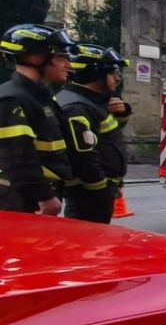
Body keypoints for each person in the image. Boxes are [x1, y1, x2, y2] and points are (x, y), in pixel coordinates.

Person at [0, 24, 78, 215]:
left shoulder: (39, 96)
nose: (69, 66)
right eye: (61, 58)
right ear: (35, 58)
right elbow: (18, 155)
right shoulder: (13, 98)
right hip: (23, 198)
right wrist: (44, 196)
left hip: (39, 194)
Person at [58, 44, 131, 224]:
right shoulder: (78, 107)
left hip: (93, 192)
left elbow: (109, 136)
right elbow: (83, 155)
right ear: (95, 74)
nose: (117, 78)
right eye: (112, 73)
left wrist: (122, 113)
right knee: (85, 241)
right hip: (88, 194)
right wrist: (100, 188)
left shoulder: (92, 101)